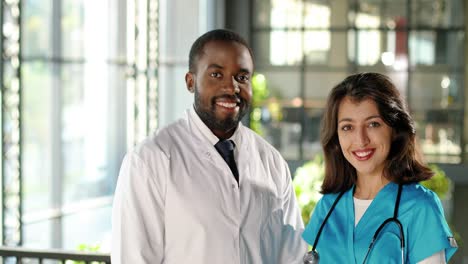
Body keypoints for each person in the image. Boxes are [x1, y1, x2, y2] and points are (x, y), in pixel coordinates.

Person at [111, 29, 307, 263]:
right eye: (216, 74)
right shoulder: (149, 160)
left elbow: (293, 256)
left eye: (242, 77)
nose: (232, 87)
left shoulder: (272, 162)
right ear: (191, 81)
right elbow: (133, 258)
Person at [302, 72, 458, 263]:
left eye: (373, 124)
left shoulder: (420, 207)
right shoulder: (327, 207)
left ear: (394, 129)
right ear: (336, 137)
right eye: (347, 127)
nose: (360, 140)